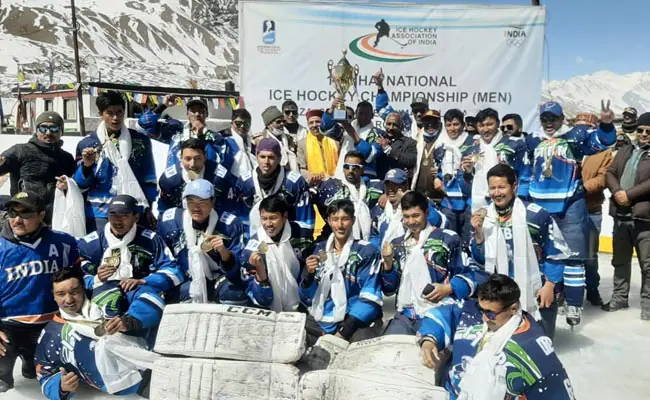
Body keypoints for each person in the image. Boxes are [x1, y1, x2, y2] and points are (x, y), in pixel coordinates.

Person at [527, 100, 616, 326]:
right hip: (540, 205)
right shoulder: (532, 140)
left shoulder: (574, 137)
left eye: (553, 118)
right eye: (545, 118)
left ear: (561, 119)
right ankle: (552, 296)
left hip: (570, 206)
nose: (549, 122)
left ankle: (574, 304)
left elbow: (602, 141)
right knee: (544, 256)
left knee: (573, 258)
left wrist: (606, 125)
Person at [418, 274, 574, 400]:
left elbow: (556, 391)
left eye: (491, 314)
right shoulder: (473, 312)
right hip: (451, 392)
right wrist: (429, 340)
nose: (484, 318)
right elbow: (443, 315)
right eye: (482, 310)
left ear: (513, 309)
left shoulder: (532, 348)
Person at [470, 164, 570, 339]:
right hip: (501, 293)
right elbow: (481, 260)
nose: (496, 193)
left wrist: (550, 285)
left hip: (536, 290)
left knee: (539, 341)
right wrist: (479, 235)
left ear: (514, 186)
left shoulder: (536, 215)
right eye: (492, 188)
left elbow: (556, 252)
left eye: (501, 187)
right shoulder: (484, 218)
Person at [35, 267, 163, 399]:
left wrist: (131, 320)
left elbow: (150, 297)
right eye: (61, 294)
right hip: (137, 388)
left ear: (83, 288)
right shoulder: (49, 335)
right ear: (53, 296)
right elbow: (44, 374)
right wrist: (61, 387)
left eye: (74, 292)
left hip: (160, 356)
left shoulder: (110, 291)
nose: (69, 300)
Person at [0, 191, 80, 392]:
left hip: (50, 325)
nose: (17, 220)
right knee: (2, 382)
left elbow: (79, 281)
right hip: (8, 325)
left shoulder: (64, 242)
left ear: (41, 215)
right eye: (12, 213)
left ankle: (30, 362)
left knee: (36, 375)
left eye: (26, 213)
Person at [381, 191, 475, 335]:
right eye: (406, 216)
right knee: (390, 346)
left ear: (426, 213)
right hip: (404, 314)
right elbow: (389, 289)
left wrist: (448, 288)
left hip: (438, 311)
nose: (411, 221)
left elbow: (469, 276)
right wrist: (387, 263)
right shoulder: (397, 244)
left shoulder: (448, 239)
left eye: (415, 215)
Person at [300, 199, 383, 345]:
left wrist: (344, 331)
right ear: (328, 221)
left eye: (345, 219)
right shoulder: (319, 249)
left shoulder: (367, 251)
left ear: (353, 220)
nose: (340, 225)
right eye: (335, 219)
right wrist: (309, 276)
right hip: (321, 320)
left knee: (361, 346)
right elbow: (307, 298)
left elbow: (370, 298)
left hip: (354, 322)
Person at [74, 91, 157, 232]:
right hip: (100, 212)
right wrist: (87, 166)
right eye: (109, 113)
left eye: (119, 112)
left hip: (133, 209)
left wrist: (148, 206)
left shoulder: (140, 141)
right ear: (101, 114)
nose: (115, 118)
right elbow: (80, 184)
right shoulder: (87, 144)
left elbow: (149, 175)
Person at [157, 179, 246, 304]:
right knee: (171, 295)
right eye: (191, 202)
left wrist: (224, 253)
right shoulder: (169, 222)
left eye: (202, 202)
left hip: (218, 278)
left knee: (234, 294)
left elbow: (239, 272)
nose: (196, 208)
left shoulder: (230, 224)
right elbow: (163, 260)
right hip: (186, 278)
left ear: (213, 201)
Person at [77, 195, 183, 299]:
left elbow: (174, 271)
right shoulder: (91, 243)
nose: (117, 221)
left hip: (142, 293)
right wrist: (96, 279)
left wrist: (144, 281)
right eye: (113, 215)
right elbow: (74, 275)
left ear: (136, 217)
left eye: (124, 215)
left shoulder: (151, 240)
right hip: (102, 294)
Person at [603, 112, 650, 319]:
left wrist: (629, 195)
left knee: (648, 264)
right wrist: (617, 192)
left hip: (644, 219)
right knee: (620, 260)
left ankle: (648, 304)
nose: (644, 134)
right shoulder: (626, 149)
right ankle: (620, 297)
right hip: (621, 215)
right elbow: (610, 172)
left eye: (648, 131)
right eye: (640, 130)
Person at [240, 195, 314, 311]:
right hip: (268, 308)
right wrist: (261, 276)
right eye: (264, 219)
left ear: (285, 216)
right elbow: (260, 299)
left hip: (303, 301)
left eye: (273, 218)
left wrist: (308, 274)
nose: (268, 224)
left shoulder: (303, 235)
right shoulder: (251, 251)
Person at [0, 111, 76, 223]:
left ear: (61, 132)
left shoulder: (66, 158)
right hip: (23, 216)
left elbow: (76, 185)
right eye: (43, 128)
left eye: (54, 128)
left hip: (54, 219)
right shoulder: (20, 151)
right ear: (36, 130)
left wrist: (68, 185)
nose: (48, 133)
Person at [138, 95, 237, 174]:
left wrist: (201, 137)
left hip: (204, 188)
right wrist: (162, 106)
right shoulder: (176, 132)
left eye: (201, 111)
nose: (197, 114)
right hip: (177, 186)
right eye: (193, 110)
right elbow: (144, 124)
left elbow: (225, 166)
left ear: (206, 114)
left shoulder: (216, 138)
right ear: (187, 115)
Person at [236, 138, 314, 236]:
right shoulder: (245, 182)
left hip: (287, 237)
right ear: (256, 156)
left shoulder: (294, 182)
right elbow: (241, 218)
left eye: (271, 157)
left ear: (279, 158)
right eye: (262, 157)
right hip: (255, 236)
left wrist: (298, 241)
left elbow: (305, 220)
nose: (266, 162)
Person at [462, 108, 530, 213]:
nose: (485, 129)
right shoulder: (471, 148)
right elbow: (466, 182)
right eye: (481, 125)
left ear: (498, 124)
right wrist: (467, 172)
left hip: (506, 204)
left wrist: (520, 198)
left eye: (489, 124)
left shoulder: (514, 144)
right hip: (476, 204)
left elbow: (525, 174)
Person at [577, 112, 612, 306]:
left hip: (590, 210)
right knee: (566, 254)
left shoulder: (603, 152)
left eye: (587, 127)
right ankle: (565, 292)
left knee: (590, 256)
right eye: (579, 126)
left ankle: (592, 288)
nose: (583, 130)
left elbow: (603, 178)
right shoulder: (567, 147)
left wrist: (581, 188)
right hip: (566, 211)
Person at [314, 151, 384, 242]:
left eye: (355, 168)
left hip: (368, 240)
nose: (350, 171)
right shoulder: (330, 187)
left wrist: (386, 195)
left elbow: (395, 190)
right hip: (336, 238)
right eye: (347, 167)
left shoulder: (374, 187)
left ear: (362, 170)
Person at [369, 168, 445, 249]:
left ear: (405, 185)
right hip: (386, 254)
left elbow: (436, 220)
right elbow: (374, 235)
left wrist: (409, 199)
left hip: (414, 250)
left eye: (394, 185)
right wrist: (378, 250)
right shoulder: (380, 208)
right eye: (387, 185)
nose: (390, 189)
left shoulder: (419, 200)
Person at [436, 109, 475, 242]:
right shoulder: (441, 144)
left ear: (463, 125)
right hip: (448, 203)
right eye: (449, 125)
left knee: (468, 242)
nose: (452, 128)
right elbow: (439, 168)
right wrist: (438, 178)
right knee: (449, 241)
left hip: (469, 202)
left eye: (456, 124)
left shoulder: (474, 143)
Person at [321, 99, 384, 180]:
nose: (363, 117)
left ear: (372, 115)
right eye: (361, 113)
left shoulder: (379, 134)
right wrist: (331, 109)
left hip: (364, 179)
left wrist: (349, 129)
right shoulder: (344, 130)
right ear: (356, 113)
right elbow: (325, 130)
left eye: (367, 114)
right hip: (342, 175)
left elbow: (371, 155)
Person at [158, 138, 224, 214]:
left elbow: (229, 208)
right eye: (188, 159)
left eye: (197, 158)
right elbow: (164, 210)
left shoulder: (221, 179)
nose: (192, 164)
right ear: (180, 158)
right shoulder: (168, 181)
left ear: (205, 156)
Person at [297, 109, 340, 187]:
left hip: (335, 183)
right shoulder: (302, 144)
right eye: (311, 123)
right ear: (308, 125)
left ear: (323, 123)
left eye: (317, 122)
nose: (314, 125)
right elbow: (302, 168)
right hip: (314, 185)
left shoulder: (335, 143)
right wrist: (311, 176)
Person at [410, 110, 445, 201]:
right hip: (419, 196)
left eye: (433, 122)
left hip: (439, 197)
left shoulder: (446, 142)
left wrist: (442, 171)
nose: (430, 125)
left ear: (439, 123)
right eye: (427, 122)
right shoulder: (416, 140)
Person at [253, 105, 299, 171]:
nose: (282, 124)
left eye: (283, 121)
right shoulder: (259, 140)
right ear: (269, 125)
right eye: (278, 122)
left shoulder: (289, 139)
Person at [374, 112, 417, 178]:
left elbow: (411, 160)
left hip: (398, 180)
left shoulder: (410, 142)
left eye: (395, 125)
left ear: (401, 127)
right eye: (388, 124)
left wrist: (388, 149)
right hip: (379, 179)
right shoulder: (378, 138)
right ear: (384, 124)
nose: (391, 128)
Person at [222, 108, 257, 178]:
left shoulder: (253, 145)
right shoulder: (225, 143)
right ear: (232, 123)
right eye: (238, 123)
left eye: (246, 124)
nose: (242, 126)